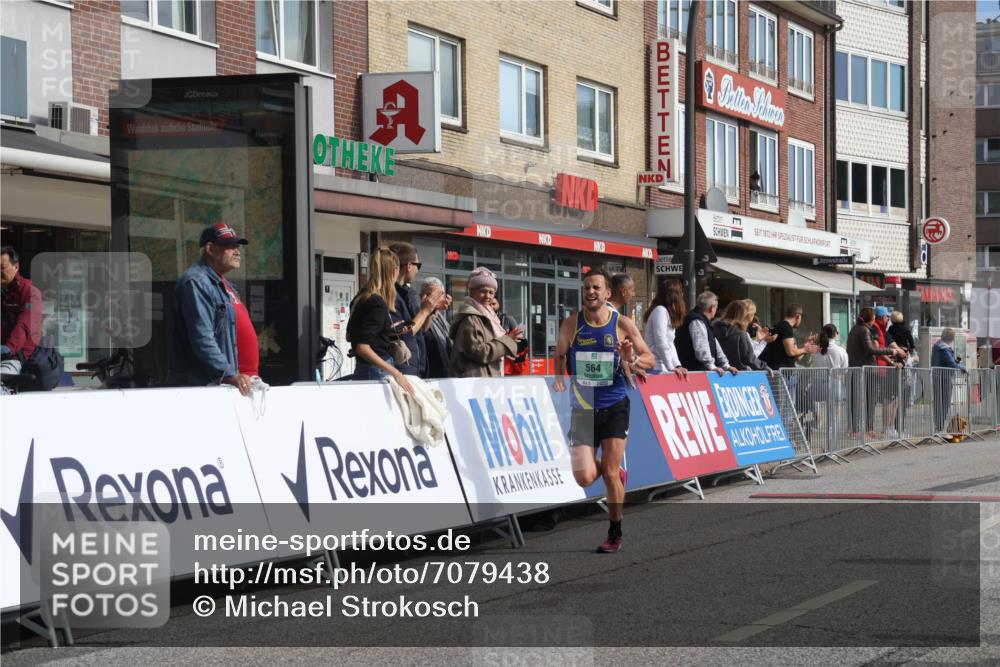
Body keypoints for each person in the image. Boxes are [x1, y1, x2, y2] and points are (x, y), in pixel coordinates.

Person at [552, 269, 656, 554]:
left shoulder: (621, 324)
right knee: (584, 476)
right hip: (583, 409)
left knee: (609, 473)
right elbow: (559, 352)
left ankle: (614, 531)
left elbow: (649, 358)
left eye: (596, 287)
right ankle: (614, 476)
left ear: (607, 293)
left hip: (614, 404)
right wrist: (559, 375)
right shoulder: (572, 324)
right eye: (586, 288)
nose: (590, 292)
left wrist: (630, 360)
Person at [167, 224, 255, 396]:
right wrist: (230, 374)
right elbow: (202, 338)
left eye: (237, 247)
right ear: (210, 249)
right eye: (230, 247)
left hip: (228, 385)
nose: (237, 252)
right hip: (204, 388)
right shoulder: (196, 282)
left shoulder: (225, 285)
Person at [346, 247, 414, 395]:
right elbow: (362, 347)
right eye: (397, 269)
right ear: (393, 271)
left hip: (364, 369)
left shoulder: (360, 298)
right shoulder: (377, 302)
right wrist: (396, 373)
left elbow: (350, 336)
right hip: (376, 371)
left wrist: (386, 331)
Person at [448, 267, 523, 377]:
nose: (488, 296)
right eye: (483, 291)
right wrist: (507, 340)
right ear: (472, 292)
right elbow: (479, 352)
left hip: (483, 380)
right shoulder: (471, 318)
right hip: (475, 382)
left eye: (491, 292)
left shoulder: (488, 316)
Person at [846, 307, 905, 436]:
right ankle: (859, 430)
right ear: (872, 318)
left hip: (858, 368)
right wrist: (892, 352)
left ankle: (866, 429)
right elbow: (870, 349)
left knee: (866, 400)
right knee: (865, 400)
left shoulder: (856, 329)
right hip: (865, 369)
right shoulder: (864, 330)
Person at [388, 242, 444, 377]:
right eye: (418, 265)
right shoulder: (390, 295)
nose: (418, 270)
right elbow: (404, 333)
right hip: (401, 368)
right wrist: (425, 310)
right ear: (409, 266)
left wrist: (430, 311)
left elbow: (421, 329)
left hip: (416, 365)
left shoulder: (408, 293)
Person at [674, 291, 738, 375]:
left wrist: (726, 365)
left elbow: (715, 344)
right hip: (694, 372)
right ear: (712, 308)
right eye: (716, 308)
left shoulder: (704, 321)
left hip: (698, 371)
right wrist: (712, 366)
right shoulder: (697, 321)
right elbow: (701, 348)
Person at [1, 245, 42, 376]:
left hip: (17, 357)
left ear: (16, 267)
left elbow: (24, 324)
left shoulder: (29, 292)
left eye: (2, 268)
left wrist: (9, 347)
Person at [642, 279, 687, 376]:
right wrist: (671, 367)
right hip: (655, 367)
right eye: (681, 292)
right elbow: (660, 341)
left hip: (663, 367)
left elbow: (670, 343)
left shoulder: (667, 313)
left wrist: (677, 365)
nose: (683, 295)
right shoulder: (660, 311)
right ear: (675, 295)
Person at [711, 299, 771, 372]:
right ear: (744, 314)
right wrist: (764, 367)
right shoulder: (740, 334)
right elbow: (748, 358)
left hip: (716, 372)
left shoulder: (714, 329)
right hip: (737, 374)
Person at [760, 303, 817, 371]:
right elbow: (791, 352)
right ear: (798, 316)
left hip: (778, 372)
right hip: (779, 374)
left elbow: (795, 356)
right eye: (801, 317)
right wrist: (806, 349)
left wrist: (806, 347)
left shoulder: (782, 326)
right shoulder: (786, 328)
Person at [931, 328, 966, 433]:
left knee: (938, 401)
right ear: (951, 338)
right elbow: (951, 363)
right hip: (944, 378)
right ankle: (940, 426)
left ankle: (938, 426)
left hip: (937, 376)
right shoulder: (944, 348)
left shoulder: (937, 346)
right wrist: (962, 367)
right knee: (944, 402)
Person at [421, 277, 453, 379]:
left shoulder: (441, 319)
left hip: (445, 374)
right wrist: (431, 310)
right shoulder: (419, 315)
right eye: (434, 295)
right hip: (429, 375)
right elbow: (423, 331)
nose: (439, 298)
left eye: (441, 294)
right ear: (424, 296)